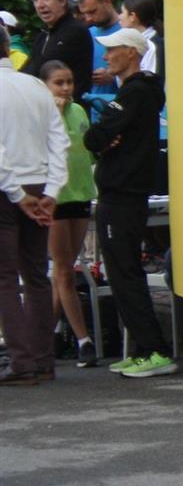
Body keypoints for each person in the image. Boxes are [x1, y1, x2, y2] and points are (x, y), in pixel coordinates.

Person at [84, 28, 171, 378]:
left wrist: (104, 137)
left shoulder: (135, 92)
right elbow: (102, 137)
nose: (106, 57)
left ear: (131, 52)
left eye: (113, 50)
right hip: (126, 192)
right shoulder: (141, 91)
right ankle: (142, 349)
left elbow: (95, 137)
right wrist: (105, 137)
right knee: (123, 272)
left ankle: (154, 350)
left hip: (121, 194)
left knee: (125, 272)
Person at [0, 17, 67, 387]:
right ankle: (42, 360)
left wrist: (17, 193)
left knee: (6, 278)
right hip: (39, 182)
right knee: (37, 274)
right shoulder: (36, 86)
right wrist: (51, 192)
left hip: (8, 187)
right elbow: (59, 141)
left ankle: (22, 362)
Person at [37, 61, 97, 367]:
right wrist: (56, 115)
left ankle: (44, 340)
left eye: (69, 82)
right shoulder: (41, 115)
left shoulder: (80, 111)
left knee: (63, 271)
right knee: (64, 271)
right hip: (56, 198)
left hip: (81, 193)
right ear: (45, 86)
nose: (65, 88)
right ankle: (84, 340)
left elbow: (87, 151)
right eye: (58, 83)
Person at [22, 0, 90, 83]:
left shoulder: (75, 31)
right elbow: (26, 70)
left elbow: (41, 70)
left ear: (62, 0)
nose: (40, 5)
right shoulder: (43, 35)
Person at [74, 0, 122, 120]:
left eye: (92, 11)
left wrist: (114, 79)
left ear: (107, 1)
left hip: (120, 112)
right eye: (84, 13)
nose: (88, 18)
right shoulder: (87, 34)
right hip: (91, 115)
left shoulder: (127, 31)